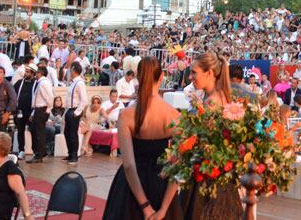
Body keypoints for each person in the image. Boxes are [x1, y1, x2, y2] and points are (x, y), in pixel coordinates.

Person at [158, 51, 243, 220]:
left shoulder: (211, 103)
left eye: (194, 72)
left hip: (205, 185)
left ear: (209, 73)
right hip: (220, 181)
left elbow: (190, 146)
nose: (190, 77)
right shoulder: (220, 98)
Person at [103, 57, 183, 220]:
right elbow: (178, 167)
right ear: (161, 77)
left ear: (138, 77)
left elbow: (129, 166)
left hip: (131, 190)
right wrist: (163, 209)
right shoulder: (174, 116)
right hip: (161, 184)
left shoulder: (127, 115)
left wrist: (145, 206)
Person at [27, 65, 54, 163]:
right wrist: (33, 112)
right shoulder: (40, 83)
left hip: (42, 110)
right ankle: (40, 152)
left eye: (37, 72)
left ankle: (39, 154)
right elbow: (37, 100)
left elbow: (49, 97)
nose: (36, 74)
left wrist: (47, 110)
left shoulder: (44, 83)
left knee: (39, 133)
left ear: (41, 73)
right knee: (35, 131)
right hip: (38, 109)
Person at [64, 62, 88, 164]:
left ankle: (74, 156)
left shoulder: (80, 83)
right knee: (67, 133)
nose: (70, 71)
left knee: (73, 134)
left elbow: (84, 100)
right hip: (69, 109)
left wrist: (77, 112)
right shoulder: (73, 82)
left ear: (74, 70)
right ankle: (70, 154)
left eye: (71, 69)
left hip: (74, 110)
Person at [12, 65, 36, 159]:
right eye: (26, 71)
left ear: (33, 73)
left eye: (28, 72)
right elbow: (13, 93)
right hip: (20, 111)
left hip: (31, 111)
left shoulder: (36, 83)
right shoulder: (19, 83)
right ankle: (21, 150)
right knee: (20, 131)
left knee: (33, 131)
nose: (26, 73)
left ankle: (35, 150)